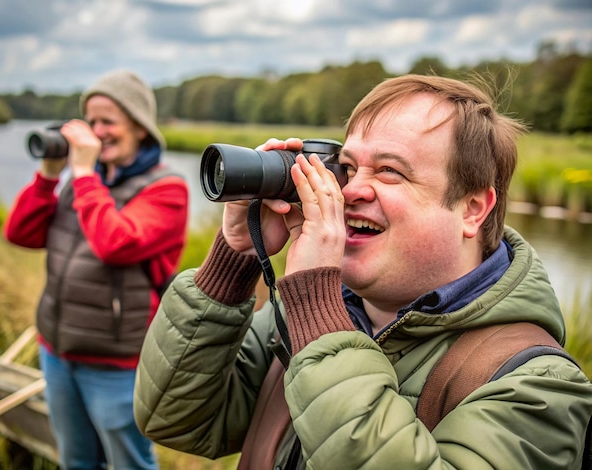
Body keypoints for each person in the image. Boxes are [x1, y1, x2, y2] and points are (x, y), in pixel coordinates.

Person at [132, 74, 592, 468]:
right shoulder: (299, 321)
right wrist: (234, 259)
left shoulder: (537, 386)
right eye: (347, 167)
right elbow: (174, 418)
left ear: (472, 209)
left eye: (390, 171)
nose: (349, 191)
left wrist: (317, 306)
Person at [4, 69, 189, 469]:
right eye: (91, 121)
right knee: (75, 459)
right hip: (57, 349)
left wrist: (84, 173)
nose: (97, 131)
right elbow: (21, 233)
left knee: (128, 462)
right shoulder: (81, 182)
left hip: (115, 361)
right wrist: (50, 175)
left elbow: (115, 245)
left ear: (140, 127)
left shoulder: (166, 188)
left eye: (108, 121)